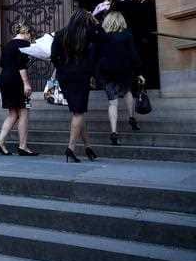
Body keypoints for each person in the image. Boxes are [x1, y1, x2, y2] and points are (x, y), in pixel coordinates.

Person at [51, 10, 101, 162]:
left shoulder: (60, 33)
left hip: (64, 76)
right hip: (80, 76)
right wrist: (96, 23)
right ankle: (71, 148)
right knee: (78, 112)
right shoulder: (88, 33)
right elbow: (104, 40)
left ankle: (88, 147)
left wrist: (62, 68)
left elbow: (54, 57)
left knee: (77, 112)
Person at [97, 11, 143, 145]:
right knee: (127, 92)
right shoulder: (126, 35)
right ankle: (132, 118)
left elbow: (95, 56)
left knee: (113, 102)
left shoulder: (102, 37)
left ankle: (114, 132)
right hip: (124, 71)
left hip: (107, 72)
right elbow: (133, 55)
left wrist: (93, 73)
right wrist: (139, 72)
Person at [0, 23, 38, 156]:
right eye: (30, 35)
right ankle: (23, 146)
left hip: (4, 79)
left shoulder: (8, 45)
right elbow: (21, 66)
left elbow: (1, 63)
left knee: (13, 113)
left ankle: (0, 142)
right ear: (27, 33)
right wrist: (26, 83)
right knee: (24, 111)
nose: (30, 38)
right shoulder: (23, 44)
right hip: (16, 80)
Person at [118, 0, 157, 88]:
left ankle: (148, 83)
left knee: (146, 61)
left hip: (146, 38)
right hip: (139, 38)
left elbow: (148, 21)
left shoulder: (148, 4)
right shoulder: (136, 4)